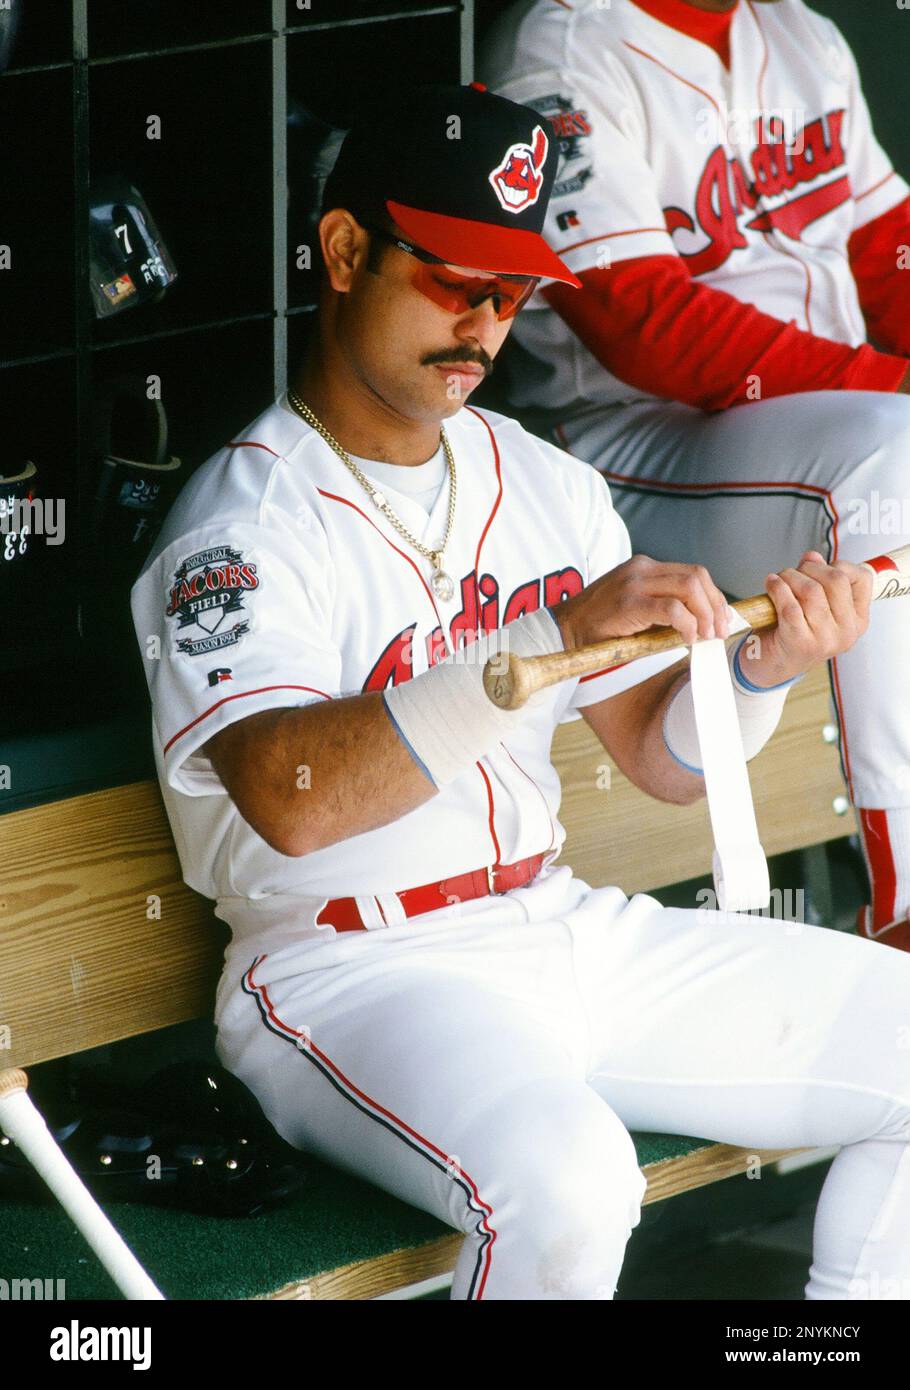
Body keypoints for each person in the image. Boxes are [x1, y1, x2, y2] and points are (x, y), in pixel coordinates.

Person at [130, 83, 910, 1301]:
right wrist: (541, 636)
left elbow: (660, 757)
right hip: (352, 973)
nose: (486, 327)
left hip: (553, 925)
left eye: (514, 292)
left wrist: (762, 666)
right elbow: (291, 801)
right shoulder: (242, 527)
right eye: (455, 281)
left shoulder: (543, 482)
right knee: (570, 1185)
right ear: (344, 253)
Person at [480, 0, 910, 951]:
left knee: (889, 450)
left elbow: (890, 254)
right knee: (894, 457)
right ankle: (905, 913)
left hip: (821, 437)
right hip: (630, 448)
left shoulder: (801, 35)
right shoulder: (562, 46)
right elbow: (638, 318)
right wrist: (892, 383)